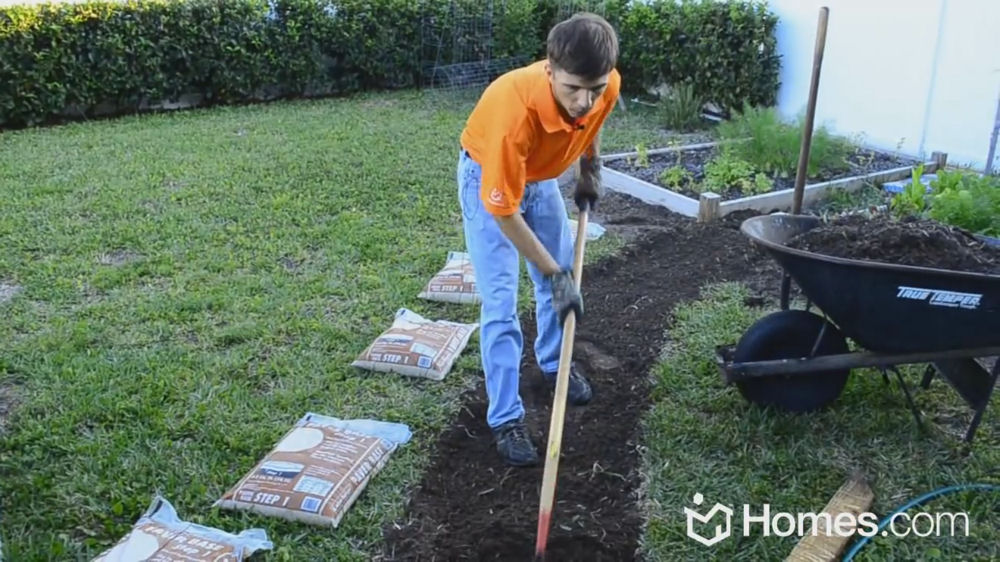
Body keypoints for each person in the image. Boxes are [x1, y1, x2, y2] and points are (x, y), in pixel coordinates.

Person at [456, 12, 621, 466]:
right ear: (549, 71)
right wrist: (554, 274)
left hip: (539, 177)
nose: (585, 101)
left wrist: (589, 170)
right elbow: (504, 212)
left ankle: (554, 364)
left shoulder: (605, 84)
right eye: (573, 89)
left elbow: (593, 122)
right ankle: (506, 417)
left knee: (560, 273)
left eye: (595, 89)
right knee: (501, 303)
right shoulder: (513, 113)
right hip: (487, 177)